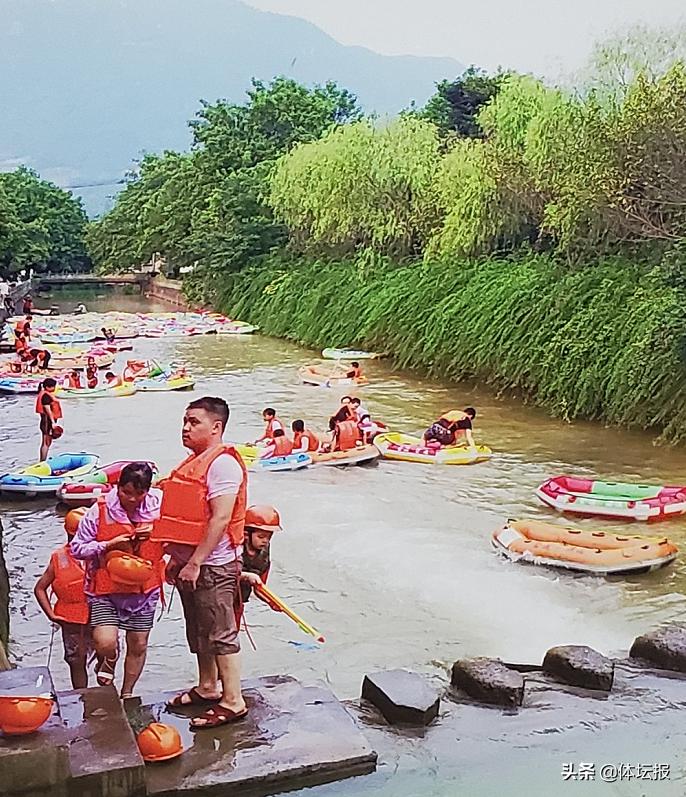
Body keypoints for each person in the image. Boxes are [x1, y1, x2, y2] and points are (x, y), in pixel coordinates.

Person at [153, 397, 248, 728]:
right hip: (190, 564)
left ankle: (233, 700)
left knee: (220, 632)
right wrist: (176, 559)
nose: (186, 427)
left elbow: (220, 518)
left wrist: (195, 562)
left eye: (194, 422)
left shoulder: (223, 465)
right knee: (198, 629)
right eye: (184, 421)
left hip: (214, 566)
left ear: (216, 427)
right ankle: (208, 686)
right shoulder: (192, 463)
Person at [70, 463, 163, 698]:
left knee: (139, 644)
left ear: (148, 491)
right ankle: (108, 659)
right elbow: (77, 548)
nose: (131, 499)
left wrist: (154, 530)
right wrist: (108, 544)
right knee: (105, 642)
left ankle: (127, 693)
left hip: (145, 589)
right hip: (106, 590)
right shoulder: (98, 511)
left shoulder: (160, 505)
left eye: (138, 494)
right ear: (118, 487)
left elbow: (177, 533)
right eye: (126, 492)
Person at [34, 513, 91, 688]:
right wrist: (51, 614)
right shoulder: (59, 557)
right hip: (70, 616)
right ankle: (81, 695)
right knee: (76, 660)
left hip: (98, 613)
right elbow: (39, 588)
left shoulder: (99, 554)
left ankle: (106, 691)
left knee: (106, 654)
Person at [239, 506, 282, 605]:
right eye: (261, 536)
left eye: (269, 537)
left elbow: (259, 588)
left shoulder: (263, 554)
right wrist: (246, 576)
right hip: (221, 599)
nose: (265, 541)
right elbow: (220, 575)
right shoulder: (233, 549)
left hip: (239, 601)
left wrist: (271, 602)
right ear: (246, 534)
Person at [36, 377, 63, 460]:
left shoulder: (44, 394)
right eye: (54, 386)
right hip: (47, 421)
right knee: (45, 442)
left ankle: (43, 459)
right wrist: (53, 423)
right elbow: (47, 409)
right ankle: (42, 461)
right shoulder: (46, 396)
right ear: (48, 387)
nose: (55, 388)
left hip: (46, 421)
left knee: (47, 442)